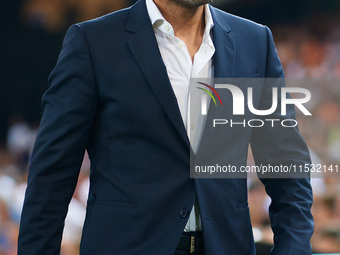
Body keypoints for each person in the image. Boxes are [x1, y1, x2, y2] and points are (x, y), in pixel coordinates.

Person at [18, 0, 314, 254]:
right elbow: (51, 178)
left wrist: (294, 248)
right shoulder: (93, 42)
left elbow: (287, 167)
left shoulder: (255, 41)